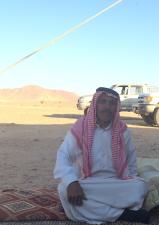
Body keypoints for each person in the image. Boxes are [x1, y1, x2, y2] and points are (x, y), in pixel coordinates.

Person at [54, 87, 149, 224]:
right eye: (103, 102)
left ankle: (88, 209)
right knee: (64, 189)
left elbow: (131, 159)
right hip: (87, 182)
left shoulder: (122, 130)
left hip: (115, 181)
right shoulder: (80, 128)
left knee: (140, 187)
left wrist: (130, 179)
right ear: (95, 105)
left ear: (116, 108)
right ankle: (121, 214)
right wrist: (72, 182)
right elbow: (63, 155)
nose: (107, 107)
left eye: (112, 103)